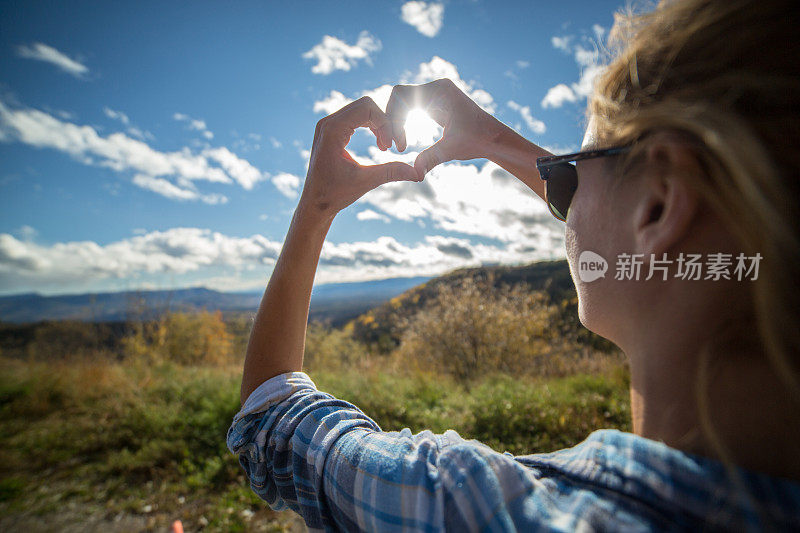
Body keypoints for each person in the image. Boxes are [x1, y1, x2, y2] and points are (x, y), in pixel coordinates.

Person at [227, 0, 800, 529]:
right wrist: (493, 138)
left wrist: (317, 208)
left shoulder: (474, 505)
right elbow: (608, 233)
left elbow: (270, 419)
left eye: (572, 166)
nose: (560, 186)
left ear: (658, 205)